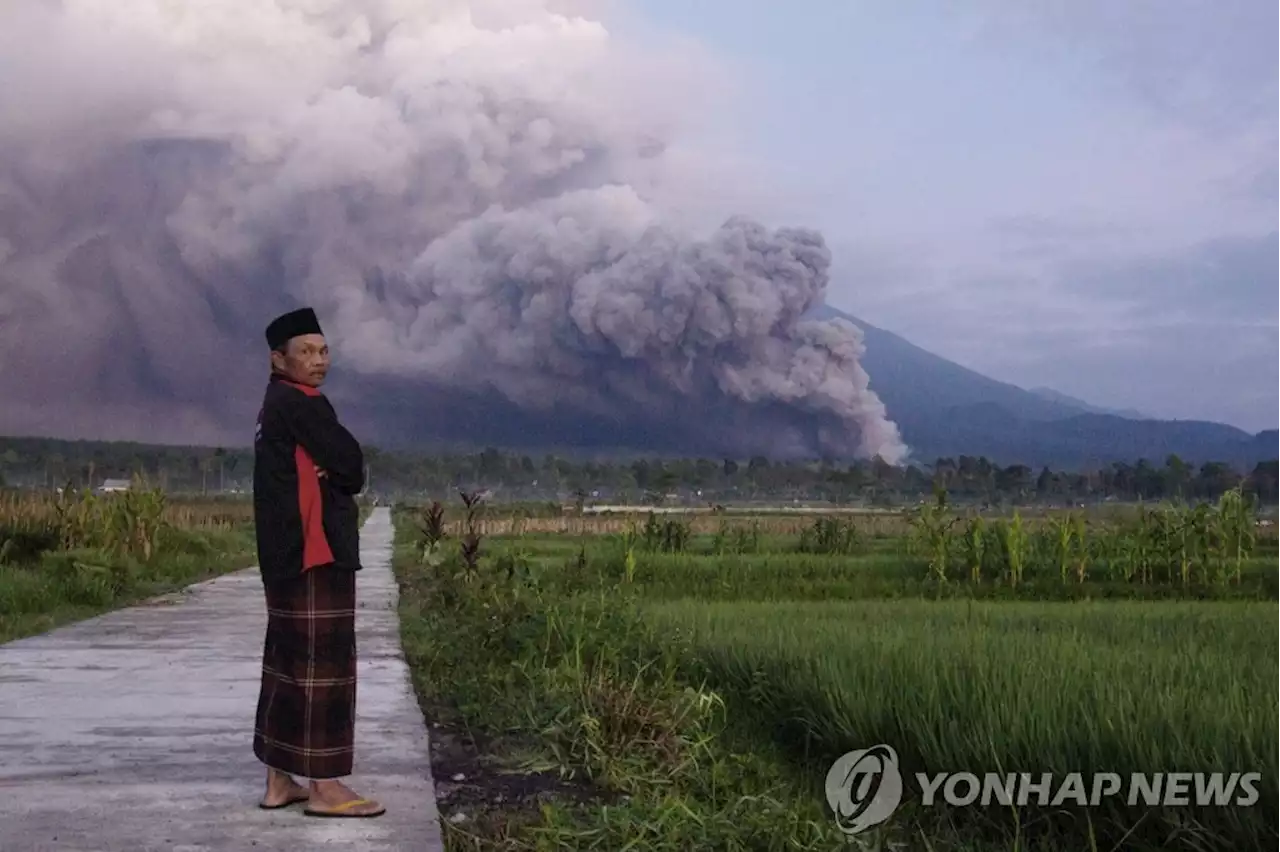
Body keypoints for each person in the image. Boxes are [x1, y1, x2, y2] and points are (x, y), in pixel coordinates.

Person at [250, 306, 385, 818]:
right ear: (277, 359)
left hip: (284, 557)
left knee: (286, 665)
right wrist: (341, 466)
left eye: (324, 350)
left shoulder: (271, 407)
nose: (318, 360)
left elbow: (340, 465)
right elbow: (352, 465)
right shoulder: (303, 404)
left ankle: (279, 782)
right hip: (315, 554)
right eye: (305, 352)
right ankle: (326, 787)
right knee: (323, 668)